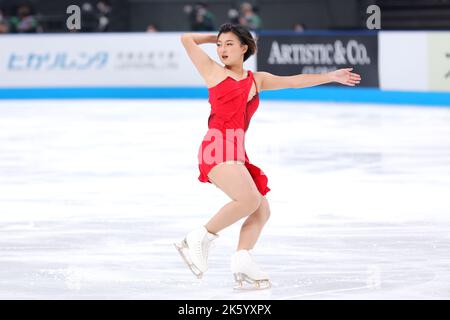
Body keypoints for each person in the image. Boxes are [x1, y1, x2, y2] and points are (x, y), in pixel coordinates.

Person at [175, 23, 361, 290]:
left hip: (236, 149)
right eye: (219, 44)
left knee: (261, 209)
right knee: (249, 199)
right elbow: (185, 38)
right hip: (216, 147)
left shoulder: (256, 80)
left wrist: (330, 76)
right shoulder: (213, 71)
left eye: (229, 44)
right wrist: (212, 37)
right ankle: (199, 237)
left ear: (244, 48)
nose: (222, 49)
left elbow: (294, 81)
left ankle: (242, 259)